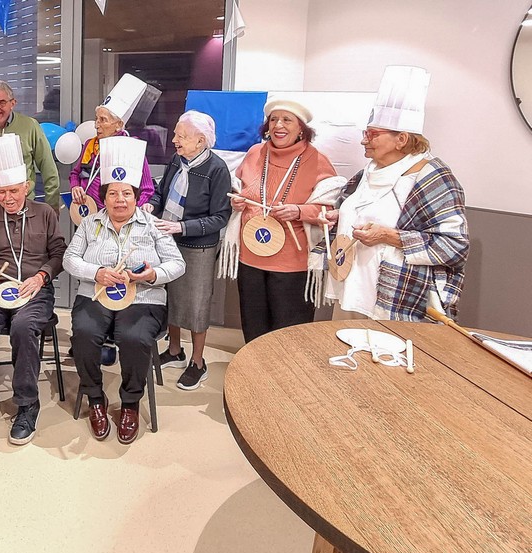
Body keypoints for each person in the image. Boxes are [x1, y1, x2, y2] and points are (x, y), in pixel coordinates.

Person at [64, 136, 185, 445]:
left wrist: (151, 274)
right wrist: (97, 273)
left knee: (133, 337)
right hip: (96, 295)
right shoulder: (90, 224)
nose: (120, 199)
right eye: (113, 193)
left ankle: (130, 403)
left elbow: (177, 264)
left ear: (135, 197)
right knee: (85, 334)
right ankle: (95, 398)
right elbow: (69, 259)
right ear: (104, 197)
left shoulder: (153, 224)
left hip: (143, 298)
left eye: (126, 193)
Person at [326, 66, 468, 320]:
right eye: (365, 133)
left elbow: (454, 246)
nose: (363, 140)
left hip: (396, 301)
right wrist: (338, 217)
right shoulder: (366, 173)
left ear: (401, 139)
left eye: (372, 134)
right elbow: (356, 208)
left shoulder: (432, 178)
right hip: (351, 287)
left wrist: (390, 236)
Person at [0, 134, 67, 445]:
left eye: (12, 191)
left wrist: (40, 278)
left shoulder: (45, 214)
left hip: (35, 292)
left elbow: (59, 254)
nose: (7, 198)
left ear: (26, 187)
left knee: (23, 327)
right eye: (1, 192)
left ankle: (27, 403)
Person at [219, 98, 346, 343]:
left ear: (302, 129)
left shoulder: (316, 159)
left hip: (292, 263)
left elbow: (330, 209)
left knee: (289, 333)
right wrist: (238, 201)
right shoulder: (255, 153)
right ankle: (253, 378)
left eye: (287, 120)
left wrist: (298, 211)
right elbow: (241, 190)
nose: (279, 125)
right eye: (274, 119)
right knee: (254, 326)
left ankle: (285, 380)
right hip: (251, 256)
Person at [149, 111, 231, 390]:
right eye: (176, 134)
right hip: (167, 239)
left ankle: (197, 362)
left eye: (180, 136)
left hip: (199, 246)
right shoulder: (176, 160)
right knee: (170, 296)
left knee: (196, 304)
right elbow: (161, 192)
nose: (174, 140)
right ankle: (174, 350)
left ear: (200, 141)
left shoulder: (217, 169)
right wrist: (151, 205)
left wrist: (182, 228)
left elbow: (220, 217)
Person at [69, 74, 158, 212]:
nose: (96, 125)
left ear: (119, 124)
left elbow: (147, 189)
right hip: (87, 214)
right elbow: (75, 173)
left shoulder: (131, 148)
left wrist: (129, 213)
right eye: (96, 119)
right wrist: (75, 187)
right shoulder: (90, 145)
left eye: (103, 120)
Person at [0, 80, 61, 210]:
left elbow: (48, 168)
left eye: (1, 103)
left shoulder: (30, 126)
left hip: (24, 205)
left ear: (13, 103)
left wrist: (52, 208)